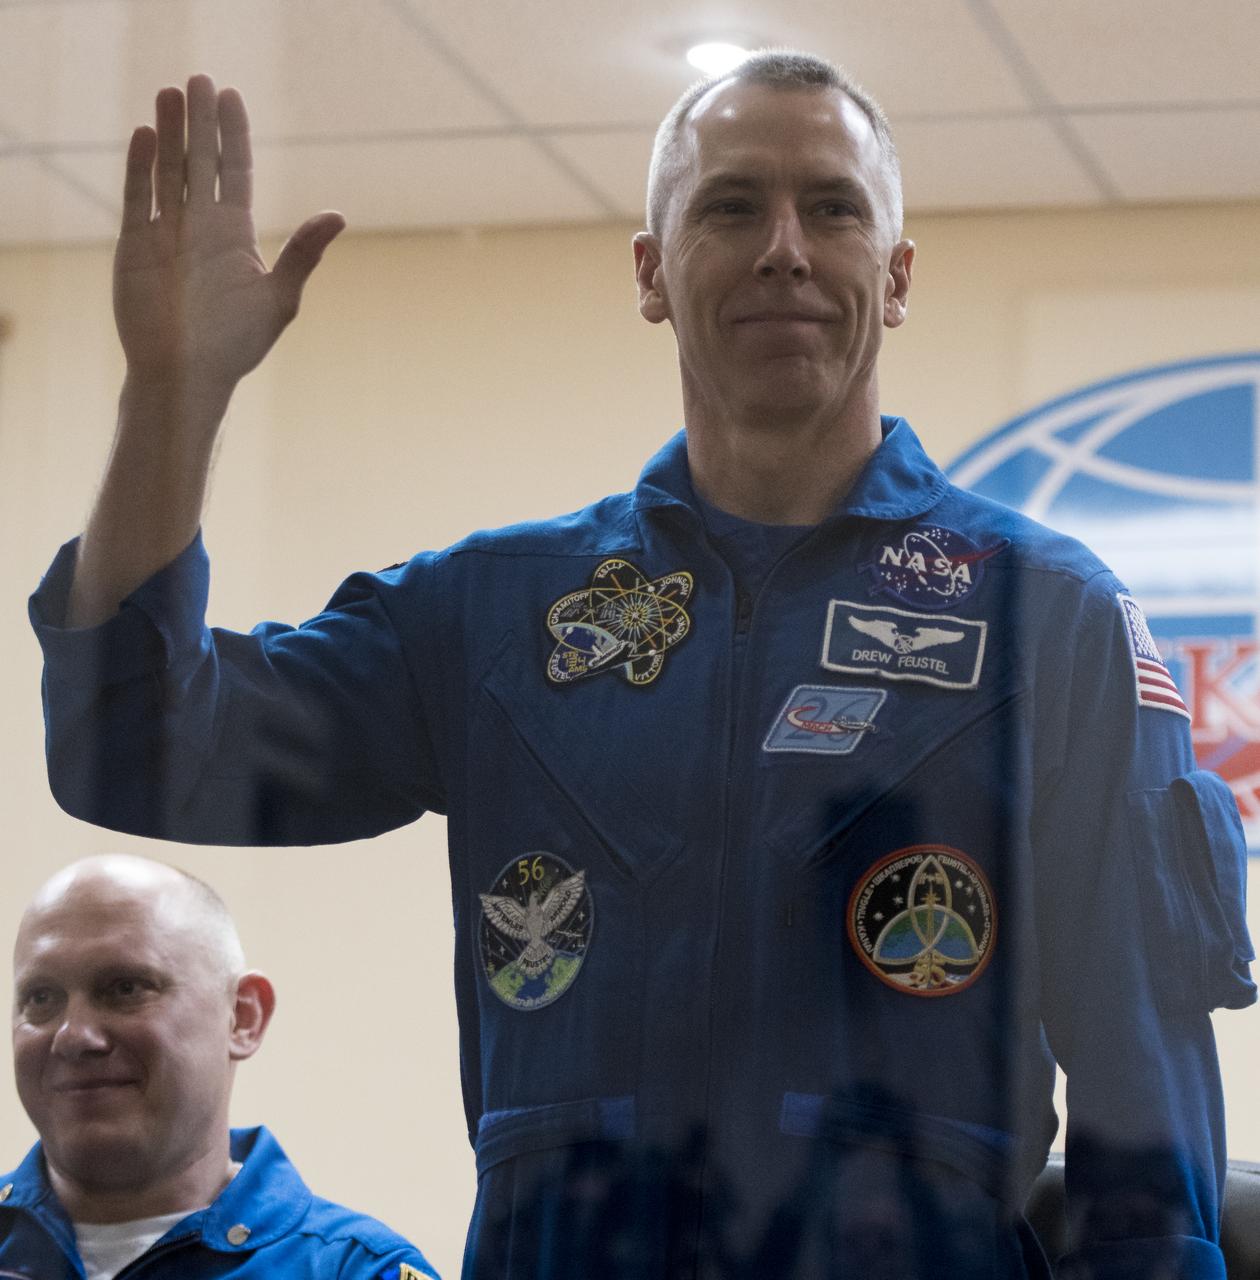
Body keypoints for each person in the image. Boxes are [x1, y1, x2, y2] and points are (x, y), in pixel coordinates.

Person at [28, 50, 1256, 1279]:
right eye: (730, 206)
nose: (784, 246)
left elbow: (1138, 1086)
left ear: (896, 275)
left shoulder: (1049, 614)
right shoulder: (498, 615)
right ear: (651, 271)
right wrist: (173, 395)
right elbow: (137, 746)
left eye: (832, 207)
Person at [1, 855, 438, 1280]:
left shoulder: (355, 1270)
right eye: (40, 999)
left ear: (242, 1016)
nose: (74, 1036)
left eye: (125, 988)